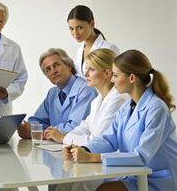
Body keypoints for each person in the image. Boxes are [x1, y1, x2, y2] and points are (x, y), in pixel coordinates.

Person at [64, 50, 177, 191]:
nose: (112, 80)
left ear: (131, 78)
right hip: (135, 175)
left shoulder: (156, 108)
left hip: (158, 179)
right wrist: (84, 149)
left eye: (116, 75)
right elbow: (109, 139)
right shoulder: (127, 106)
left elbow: (141, 156)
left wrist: (92, 158)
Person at [46, 48, 128, 144]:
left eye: (91, 69)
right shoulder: (97, 100)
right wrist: (65, 137)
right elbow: (85, 127)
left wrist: (64, 139)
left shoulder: (118, 100)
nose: (85, 74)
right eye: (86, 69)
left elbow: (97, 140)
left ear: (106, 73)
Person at [18, 48, 96, 140]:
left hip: (77, 149)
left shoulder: (86, 89)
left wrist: (37, 133)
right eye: (48, 69)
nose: (53, 71)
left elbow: (75, 127)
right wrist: (27, 128)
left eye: (56, 65)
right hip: (55, 148)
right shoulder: (52, 93)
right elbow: (38, 120)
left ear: (69, 66)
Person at [67, 5, 119, 78]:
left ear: (92, 24)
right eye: (71, 29)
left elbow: (117, 79)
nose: (75, 33)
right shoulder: (79, 51)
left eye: (80, 28)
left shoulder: (109, 48)